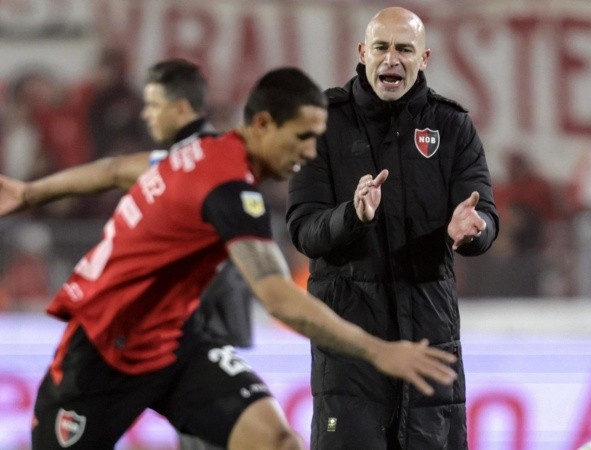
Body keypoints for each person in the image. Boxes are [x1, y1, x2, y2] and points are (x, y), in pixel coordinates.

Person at [1, 67, 457, 449]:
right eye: (301, 136)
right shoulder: (230, 189)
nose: (310, 152)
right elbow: (277, 298)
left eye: (317, 138)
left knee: (279, 442)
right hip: (102, 352)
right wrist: (379, 351)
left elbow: (118, 168)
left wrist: (30, 192)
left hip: (173, 342)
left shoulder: (202, 151)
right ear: (262, 124)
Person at [0, 58, 254, 450]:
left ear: (181, 108)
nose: (145, 114)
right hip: (177, 328)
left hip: (185, 326)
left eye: (153, 105)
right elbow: (116, 170)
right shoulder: (186, 160)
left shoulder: (205, 165)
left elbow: (118, 170)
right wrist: (31, 193)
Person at [286, 7, 498, 449]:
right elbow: (303, 228)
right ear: (363, 53)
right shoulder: (322, 123)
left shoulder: (451, 126)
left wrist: (473, 229)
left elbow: (485, 214)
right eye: (381, 47)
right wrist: (353, 215)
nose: (391, 59)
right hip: (349, 346)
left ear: (425, 58)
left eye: (405, 49)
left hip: (429, 335)